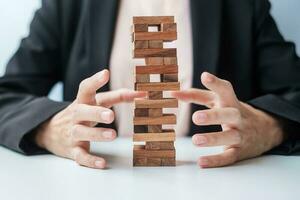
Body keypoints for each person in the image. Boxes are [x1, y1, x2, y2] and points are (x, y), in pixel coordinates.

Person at [0, 0, 299, 169]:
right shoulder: (68, 5)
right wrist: (48, 128)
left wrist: (269, 127)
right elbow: (6, 94)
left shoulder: (241, 6)